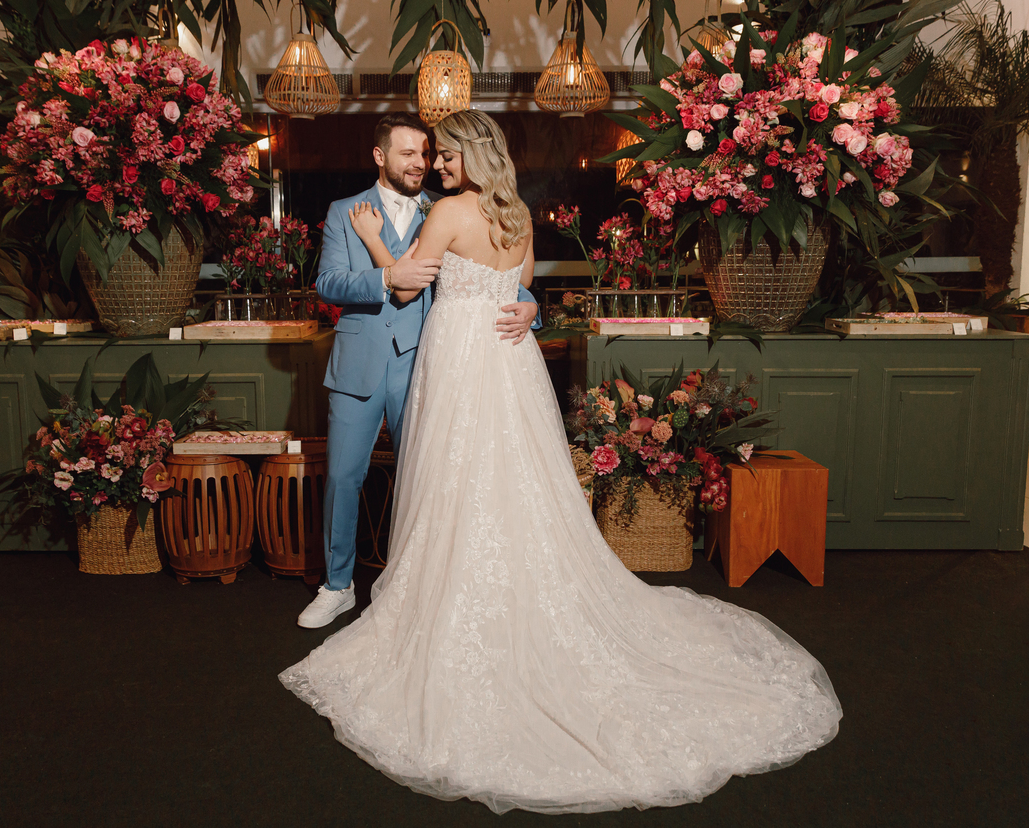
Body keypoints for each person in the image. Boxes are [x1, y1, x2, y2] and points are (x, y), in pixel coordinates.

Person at [281, 111, 843, 813]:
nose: (437, 163)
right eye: (428, 154)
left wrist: (374, 240)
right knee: (511, 480)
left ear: (468, 156)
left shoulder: (449, 211)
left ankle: (445, 588)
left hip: (457, 366)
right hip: (506, 369)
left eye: (446, 153)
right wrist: (530, 311)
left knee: (455, 479)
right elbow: (519, 290)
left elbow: (402, 287)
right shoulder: (516, 216)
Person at [300, 113, 539, 629]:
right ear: (380, 156)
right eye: (409, 154)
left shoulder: (445, 207)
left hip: (431, 364)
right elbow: (329, 282)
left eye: (429, 154)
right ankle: (336, 586)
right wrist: (386, 276)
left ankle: (412, 584)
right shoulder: (346, 211)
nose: (422, 163)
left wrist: (532, 306)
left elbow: (498, 282)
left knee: (430, 481)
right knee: (344, 476)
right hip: (361, 359)